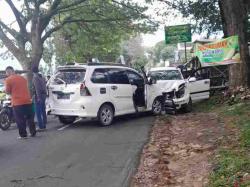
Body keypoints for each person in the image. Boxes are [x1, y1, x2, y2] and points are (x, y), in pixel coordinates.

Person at [4, 66, 36, 139]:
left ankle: (23, 135)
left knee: (20, 119)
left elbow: (8, 91)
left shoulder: (8, 79)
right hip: (28, 101)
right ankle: (33, 132)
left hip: (17, 102)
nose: (6, 74)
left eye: (6, 73)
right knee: (30, 118)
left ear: (8, 72)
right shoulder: (23, 78)